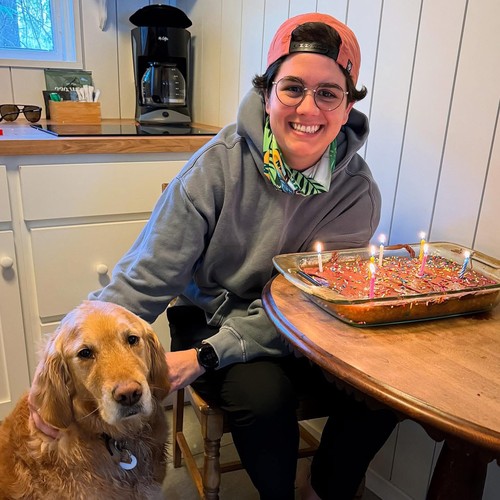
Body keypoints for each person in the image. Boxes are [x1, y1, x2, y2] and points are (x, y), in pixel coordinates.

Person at [90, 12, 397, 500]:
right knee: (263, 396)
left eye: (328, 93)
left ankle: (323, 489)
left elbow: (309, 303)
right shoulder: (216, 167)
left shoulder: (356, 192)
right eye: (292, 88)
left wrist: (211, 356)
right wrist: (84, 343)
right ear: (267, 93)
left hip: (305, 323)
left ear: (347, 107)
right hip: (210, 318)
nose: (308, 108)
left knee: (386, 389)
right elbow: (145, 277)